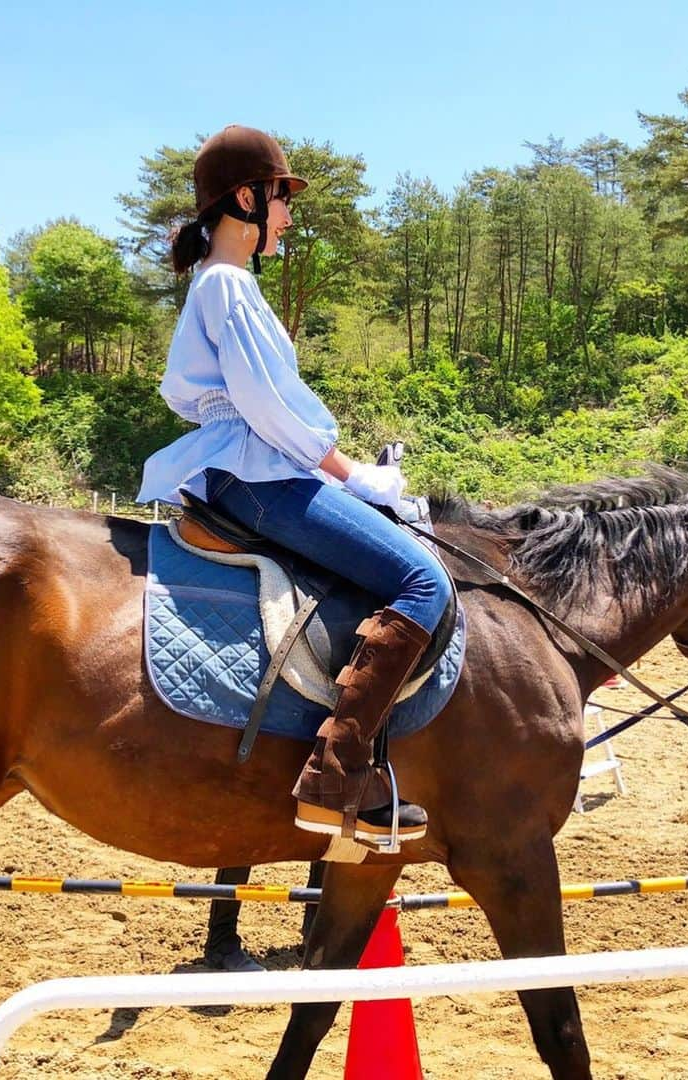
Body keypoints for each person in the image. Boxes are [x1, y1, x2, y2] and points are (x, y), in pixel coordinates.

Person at [137, 125, 451, 845]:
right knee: (424, 582)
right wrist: (353, 475)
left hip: (255, 467)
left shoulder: (219, 285)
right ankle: (335, 777)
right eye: (281, 200)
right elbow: (269, 405)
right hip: (261, 474)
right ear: (246, 199)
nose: (287, 217)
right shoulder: (227, 284)